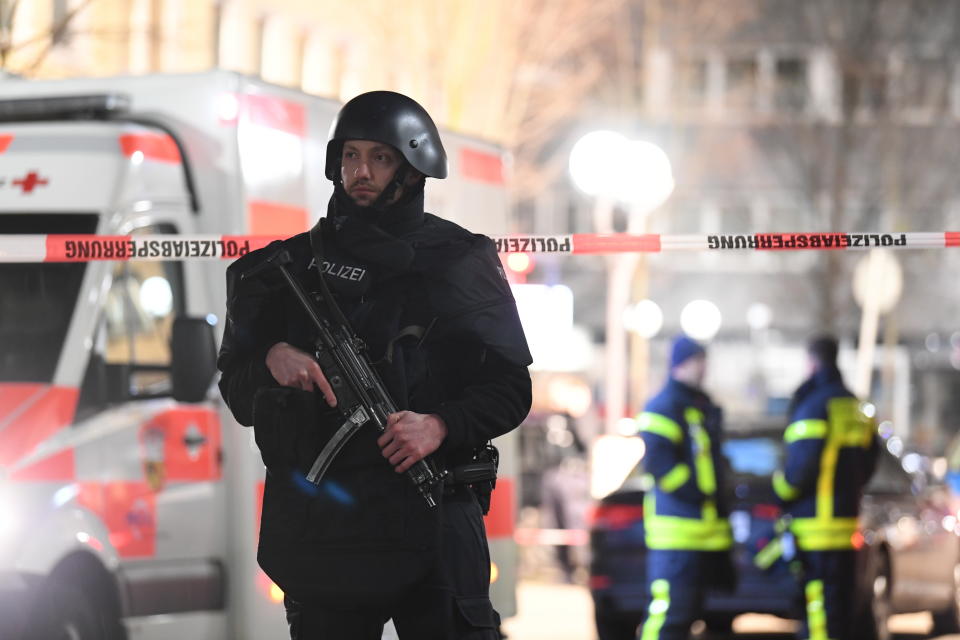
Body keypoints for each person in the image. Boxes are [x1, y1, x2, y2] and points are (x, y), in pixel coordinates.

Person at [217, 90, 532, 640]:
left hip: (433, 511)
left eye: (380, 158)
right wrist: (271, 358)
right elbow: (238, 393)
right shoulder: (281, 270)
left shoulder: (461, 262)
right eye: (351, 155)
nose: (361, 171)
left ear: (413, 167)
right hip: (327, 527)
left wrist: (440, 426)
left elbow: (511, 388)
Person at [772, 336, 878, 640]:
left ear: (811, 362)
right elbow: (869, 463)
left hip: (814, 529)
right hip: (846, 527)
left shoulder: (813, 406)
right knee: (841, 609)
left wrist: (780, 493)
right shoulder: (857, 407)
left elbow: (799, 471)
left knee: (817, 613)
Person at [636, 335, 733, 640]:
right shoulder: (663, 406)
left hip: (704, 533)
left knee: (690, 616)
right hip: (676, 533)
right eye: (699, 362)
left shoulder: (699, 406)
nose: (704, 369)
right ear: (682, 364)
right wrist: (695, 493)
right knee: (668, 615)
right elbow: (659, 464)